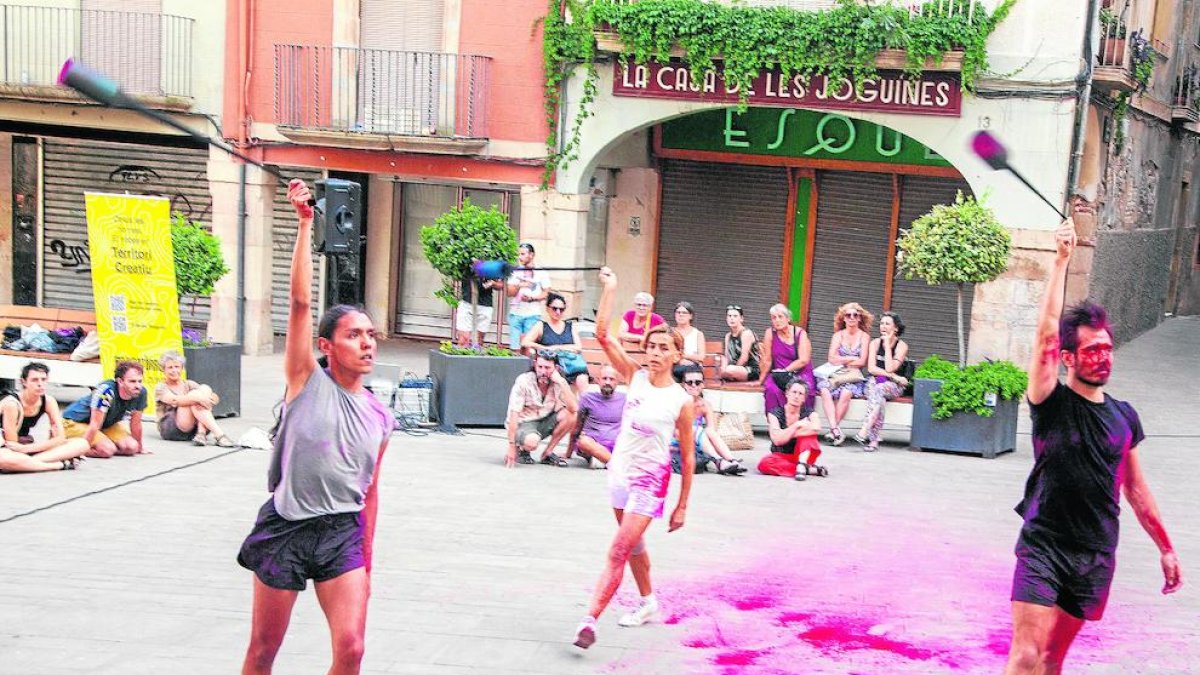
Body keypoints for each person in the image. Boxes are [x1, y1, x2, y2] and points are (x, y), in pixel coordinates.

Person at [1004, 217, 1182, 674]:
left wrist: (1165, 546)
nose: (1103, 358)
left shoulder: (1125, 417)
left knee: (1051, 660)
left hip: (1096, 553)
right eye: (1092, 350)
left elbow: (1137, 491)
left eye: (1107, 348)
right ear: (1068, 358)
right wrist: (1061, 261)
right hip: (1044, 544)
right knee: (1025, 655)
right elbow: (1045, 336)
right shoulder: (1051, 402)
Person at [238, 179, 394, 675]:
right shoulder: (305, 380)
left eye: (371, 335)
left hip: (341, 533)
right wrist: (306, 224)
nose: (367, 343)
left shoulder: (381, 415)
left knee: (351, 650)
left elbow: (370, 492)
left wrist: (367, 562)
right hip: (287, 526)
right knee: (264, 652)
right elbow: (301, 306)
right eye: (354, 335)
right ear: (327, 347)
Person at [573, 266, 695, 650]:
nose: (655, 353)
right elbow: (602, 334)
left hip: (650, 482)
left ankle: (589, 621)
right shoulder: (634, 377)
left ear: (677, 354)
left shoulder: (682, 400)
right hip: (620, 473)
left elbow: (688, 459)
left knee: (618, 548)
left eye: (663, 348)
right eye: (651, 347)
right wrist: (611, 287)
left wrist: (681, 506)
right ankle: (648, 601)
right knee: (635, 546)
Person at [0, 361, 89, 472]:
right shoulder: (12, 404)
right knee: (4, 458)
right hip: (7, 449)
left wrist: (27, 448)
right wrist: (45, 445)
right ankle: (58, 465)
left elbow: (60, 437)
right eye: (34, 380)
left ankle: (26, 464)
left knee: (82, 444)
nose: (40, 384)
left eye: (43, 379)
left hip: (25, 449)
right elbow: (12, 444)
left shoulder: (48, 401)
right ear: (24, 382)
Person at [504, 351, 578, 467]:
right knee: (532, 442)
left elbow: (574, 409)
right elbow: (513, 414)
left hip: (543, 419)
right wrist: (511, 446)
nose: (543, 372)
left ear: (556, 368)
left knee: (571, 415)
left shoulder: (558, 382)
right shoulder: (524, 381)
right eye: (540, 367)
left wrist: (562, 382)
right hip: (523, 423)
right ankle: (521, 449)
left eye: (547, 368)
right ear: (535, 365)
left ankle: (547, 453)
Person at [61, 361, 148, 458]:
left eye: (139, 381)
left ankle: (101, 444)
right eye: (132, 381)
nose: (137, 386)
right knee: (107, 450)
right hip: (75, 422)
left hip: (105, 424)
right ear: (120, 381)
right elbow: (94, 424)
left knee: (131, 447)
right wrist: (82, 448)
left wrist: (139, 447)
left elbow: (136, 423)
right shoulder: (106, 391)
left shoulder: (140, 392)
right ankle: (65, 447)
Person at [674, 363, 747, 476]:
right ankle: (718, 461)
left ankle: (731, 460)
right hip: (677, 442)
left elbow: (711, 430)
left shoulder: (705, 405)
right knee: (695, 429)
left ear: (703, 385)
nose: (694, 386)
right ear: (684, 385)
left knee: (708, 431)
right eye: (690, 382)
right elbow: (674, 431)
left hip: (696, 442)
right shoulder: (678, 403)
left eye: (698, 382)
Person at [815, 302, 872, 445]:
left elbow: (862, 362)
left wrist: (841, 360)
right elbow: (831, 358)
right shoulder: (838, 335)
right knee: (824, 389)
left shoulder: (864, 337)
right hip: (836, 374)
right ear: (844, 318)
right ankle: (834, 429)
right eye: (848, 315)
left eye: (855, 315)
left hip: (853, 376)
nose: (852, 317)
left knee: (847, 392)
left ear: (860, 318)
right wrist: (852, 358)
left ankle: (834, 430)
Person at [853, 312, 909, 452]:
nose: (883, 327)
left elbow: (891, 367)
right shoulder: (874, 343)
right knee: (879, 396)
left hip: (894, 386)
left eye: (887, 324)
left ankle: (865, 428)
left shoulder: (902, 346)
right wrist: (895, 376)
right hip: (876, 381)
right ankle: (873, 440)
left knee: (879, 391)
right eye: (882, 323)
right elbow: (872, 369)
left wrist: (887, 346)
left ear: (895, 328)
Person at [154, 351, 235, 447]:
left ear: (182, 368)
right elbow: (175, 400)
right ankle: (219, 435)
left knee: (205, 388)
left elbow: (214, 396)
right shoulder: (161, 387)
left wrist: (211, 398)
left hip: (193, 429)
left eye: (177, 367)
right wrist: (199, 398)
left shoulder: (188, 383)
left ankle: (201, 433)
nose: (174, 370)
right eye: (170, 367)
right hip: (173, 428)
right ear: (164, 370)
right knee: (195, 396)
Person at [521, 292, 591, 394]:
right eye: (555, 308)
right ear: (548, 308)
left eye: (561, 309)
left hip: (571, 365)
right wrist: (545, 348)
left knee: (582, 379)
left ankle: (585, 408)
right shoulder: (541, 326)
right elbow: (525, 342)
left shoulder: (570, 326)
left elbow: (578, 347)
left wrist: (557, 347)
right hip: (551, 366)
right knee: (557, 379)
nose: (558, 312)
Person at [759, 378, 827, 481]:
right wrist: (797, 425)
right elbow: (777, 440)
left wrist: (785, 434)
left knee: (809, 436)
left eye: (800, 394)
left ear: (804, 398)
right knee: (764, 464)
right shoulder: (774, 414)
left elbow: (816, 427)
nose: (796, 396)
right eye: (794, 392)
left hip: (803, 454)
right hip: (781, 456)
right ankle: (807, 470)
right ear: (787, 393)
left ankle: (802, 464)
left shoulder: (809, 413)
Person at [759, 304, 815, 411]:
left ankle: (800, 422)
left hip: (800, 372)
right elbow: (767, 360)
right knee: (772, 389)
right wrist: (760, 380)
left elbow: (804, 360)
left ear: (788, 318)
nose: (777, 320)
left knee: (800, 390)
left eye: (780, 317)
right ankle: (776, 421)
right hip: (778, 373)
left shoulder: (800, 333)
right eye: (774, 318)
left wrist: (785, 371)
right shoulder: (770, 333)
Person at [568, 365, 624, 469]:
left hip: (616, 446)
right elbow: (577, 428)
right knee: (583, 442)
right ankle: (616, 464)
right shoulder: (587, 398)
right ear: (598, 380)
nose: (607, 382)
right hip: (592, 445)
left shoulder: (625, 399)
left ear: (617, 382)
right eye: (604, 378)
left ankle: (603, 460)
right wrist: (568, 454)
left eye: (611, 379)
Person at [505, 242, 551, 350]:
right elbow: (509, 292)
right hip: (515, 313)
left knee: (527, 346)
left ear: (531, 255)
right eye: (519, 254)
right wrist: (520, 285)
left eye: (523, 254)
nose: (520, 257)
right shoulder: (515, 271)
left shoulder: (541, 272)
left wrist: (532, 298)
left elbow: (547, 292)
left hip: (533, 314)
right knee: (514, 347)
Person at [455, 272, 503, 347]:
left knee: (478, 342)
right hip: (466, 303)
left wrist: (493, 283)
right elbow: (456, 274)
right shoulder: (466, 263)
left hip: (485, 305)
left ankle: (474, 356)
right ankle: (462, 356)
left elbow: (501, 284)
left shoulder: (491, 264)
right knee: (463, 340)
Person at [717, 304, 760, 382]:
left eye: (735, 316)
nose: (732, 319)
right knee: (724, 368)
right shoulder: (728, 336)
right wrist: (724, 368)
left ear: (741, 319)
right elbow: (727, 356)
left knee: (729, 370)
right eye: (729, 316)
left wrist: (730, 370)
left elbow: (744, 359)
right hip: (733, 369)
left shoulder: (746, 333)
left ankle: (730, 375)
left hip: (750, 369)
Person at [671, 301, 706, 366]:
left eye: (684, 313)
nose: (681, 315)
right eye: (678, 312)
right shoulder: (670, 332)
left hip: (691, 366)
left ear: (691, 316)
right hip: (672, 366)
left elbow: (701, 357)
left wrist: (684, 356)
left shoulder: (698, 334)